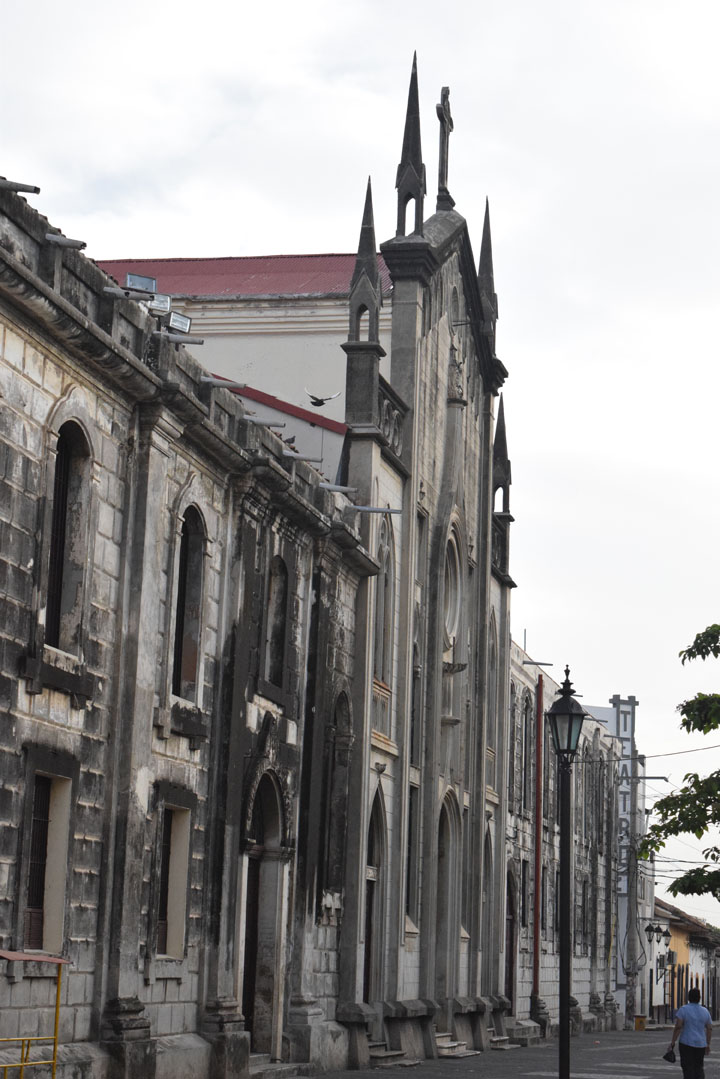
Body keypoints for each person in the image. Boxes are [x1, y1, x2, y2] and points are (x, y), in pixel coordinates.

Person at [668, 987, 712, 1079]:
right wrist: (707, 1043)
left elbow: (678, 1026)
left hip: (686, 1043)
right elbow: (709, 1028)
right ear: (699, 998)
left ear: (688, 998)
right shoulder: (705, 1011)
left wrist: (673, 1042)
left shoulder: (683, 1009)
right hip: (700, 1044)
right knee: (699, 1067)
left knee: (688, 1068)